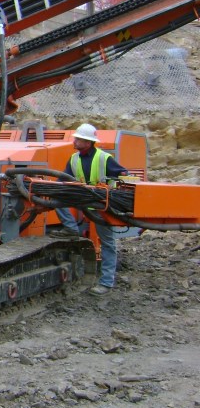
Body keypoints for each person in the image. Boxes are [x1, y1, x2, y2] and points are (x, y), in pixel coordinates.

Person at [54, 123, 128, 296]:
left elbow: (124, 174)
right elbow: (64, 179)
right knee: (56, 197)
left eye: (78, 139)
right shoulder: (74, 159)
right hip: (84, 200)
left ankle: (106, 283)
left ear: (88, 143)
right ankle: (71, 229)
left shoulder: (104, 158)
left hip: (102, 205)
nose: (75, 141)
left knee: (107, 243)